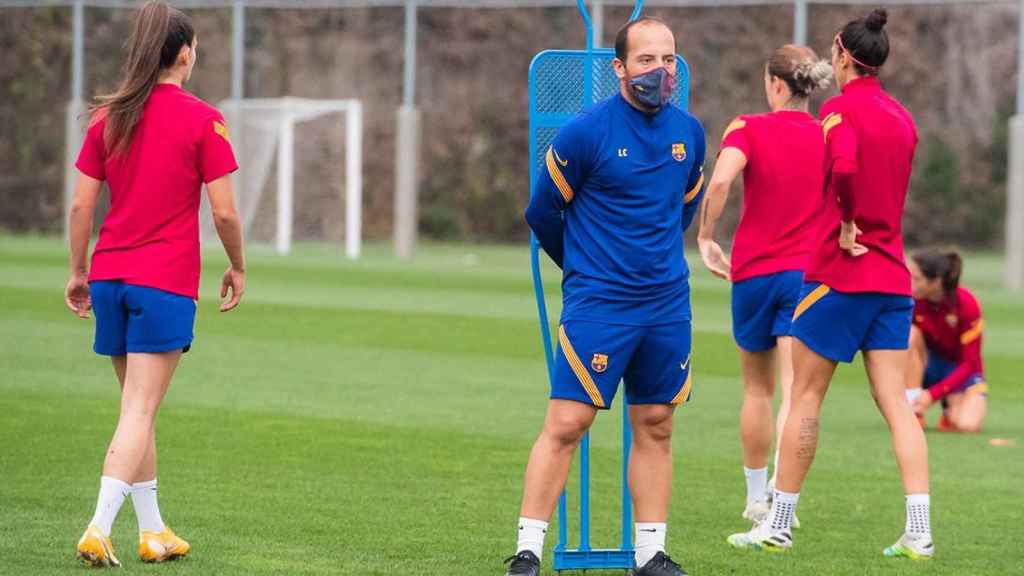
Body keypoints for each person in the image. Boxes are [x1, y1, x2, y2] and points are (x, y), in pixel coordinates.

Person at [728, 9, 934, 560]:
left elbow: (843, 168)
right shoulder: (902, 116)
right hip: (892, 277)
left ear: (842, 56)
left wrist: (845, 221)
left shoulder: (841, 109)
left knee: (805, 395)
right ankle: (920, 528)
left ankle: (778, 522)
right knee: (896, 403)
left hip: (840, 276)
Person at [504, 16, 705, 576]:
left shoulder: (689, 132)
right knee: (568, 421)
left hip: (666, 304)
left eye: (668, 60)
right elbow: (542, 212)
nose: (659, 71)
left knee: (657, 422)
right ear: (619, 68)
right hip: (600, 303)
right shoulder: (584, 132)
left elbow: (682, 209)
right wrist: (582, 266)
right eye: (646, 60)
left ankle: (650, 554)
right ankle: (527, 551)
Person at [66, 0, 245, 567]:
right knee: (139, 410)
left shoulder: (107, 117)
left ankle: (154, 531)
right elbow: (225, 215)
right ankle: (98, 527)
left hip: (111, 276)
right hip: (162, 280)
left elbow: (80, 205)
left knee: (134, 407)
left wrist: (78, 272)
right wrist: (238, 265)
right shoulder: (202, 118)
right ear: (186, 54)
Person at [697, 44, 831, 532]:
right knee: (798, 393)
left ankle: (756, 499)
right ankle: (782, 502)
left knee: (757, 388)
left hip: (752, 273)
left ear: (775, 84)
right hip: (806, 274)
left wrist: (708, 236)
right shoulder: (826, 135)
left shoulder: (747, 127)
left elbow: (721, 183)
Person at [906, 249, 987, 432]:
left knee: (966, 425)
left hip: (960, 371)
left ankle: (949, 409)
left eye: (917, 279)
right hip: (926, 366)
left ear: (936, 281)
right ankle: (913, 411)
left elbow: (969, 364)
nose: (911, 284)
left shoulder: (966, 304)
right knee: (909, 334)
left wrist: (933, 395)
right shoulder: (911, 300)